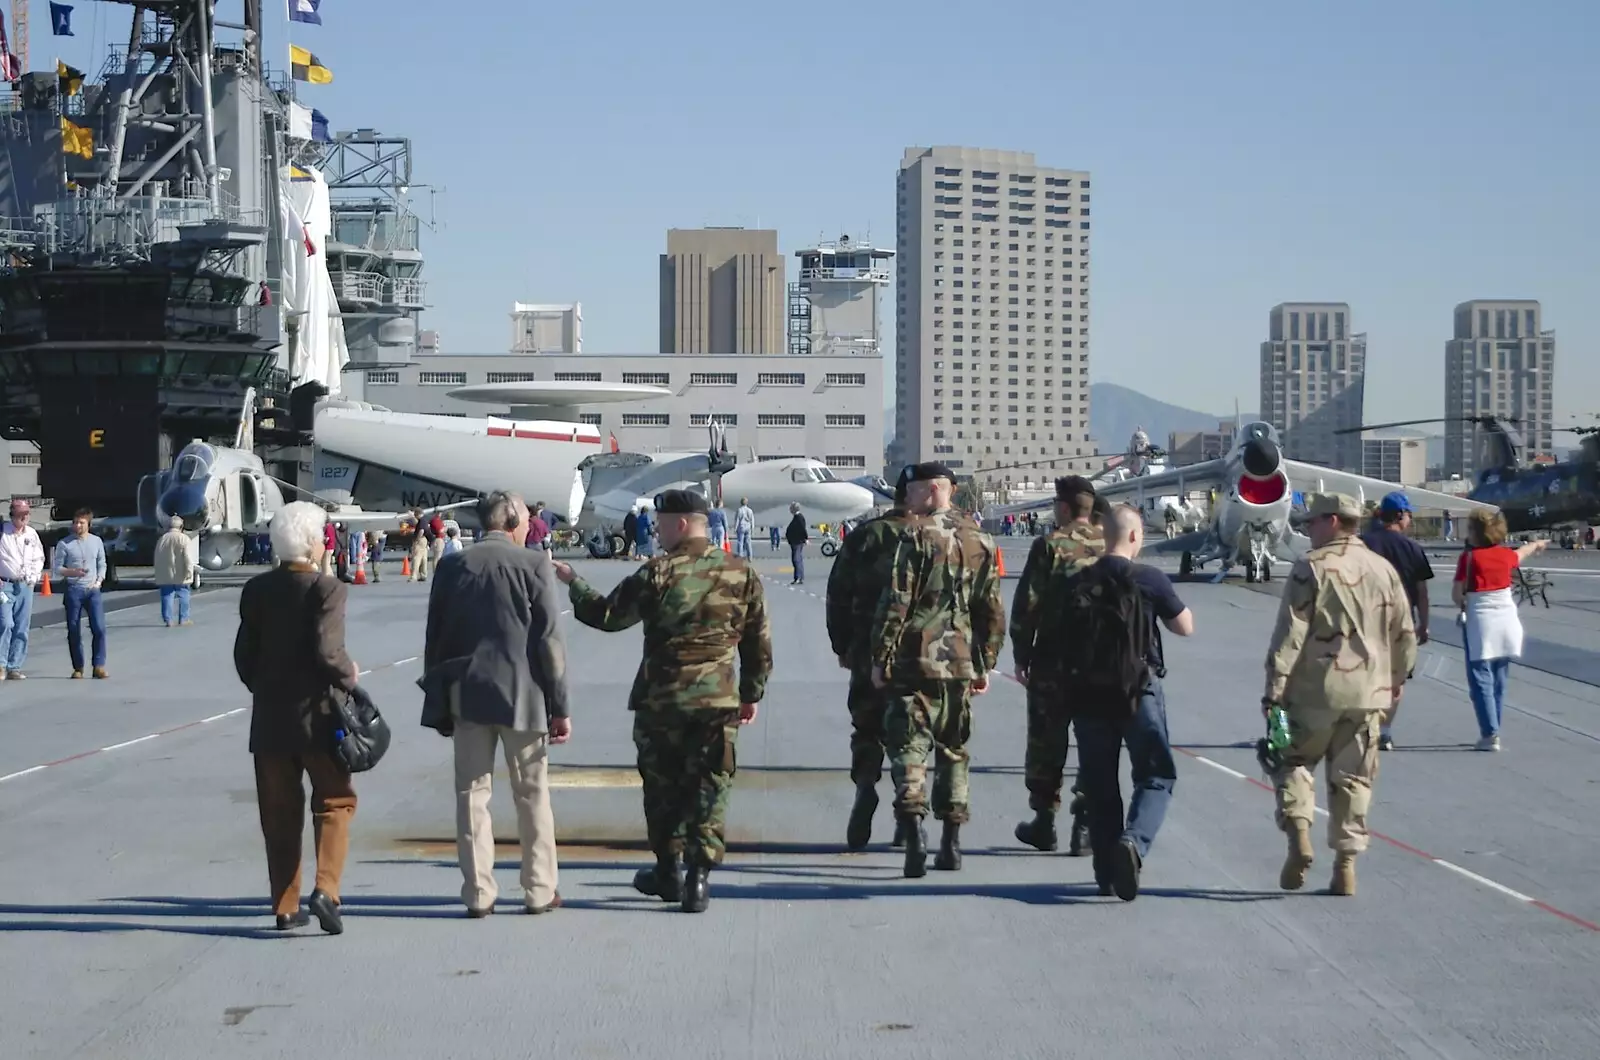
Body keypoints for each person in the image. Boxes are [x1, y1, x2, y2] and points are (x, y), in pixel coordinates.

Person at [553, 489, 771, 913]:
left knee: (662, 788)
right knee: (711, 785)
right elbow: (758, 643)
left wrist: (573, 582)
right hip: (717, 701)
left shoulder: (658, 572)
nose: (657, 530)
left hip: (663, 702)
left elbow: (608, 617)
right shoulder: (741, 572)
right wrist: (751, 693)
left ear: (682, 524)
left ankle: (668, 869)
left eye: (663, 523)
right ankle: (699, 879)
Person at [421, 491, 572, 917]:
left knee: (471, 795)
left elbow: (437, 638)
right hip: (523, 695)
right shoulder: (533, 564)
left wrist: (439, 701)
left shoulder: (451, 565)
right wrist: (560, 705)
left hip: (467, 693)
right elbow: (548, 641)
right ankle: (540, 889)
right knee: (532, 795)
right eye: (524, 519)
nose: (527, 526)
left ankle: (478, 893)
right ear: (510, 523)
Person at [1264, 493, 1416, 897]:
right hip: (1369, 694)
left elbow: (1290, 636)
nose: (1307, 530)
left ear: (1332, 521)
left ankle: (1299, 832)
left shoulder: (1310, 568)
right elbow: (1405, 633)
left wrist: (1273, 691)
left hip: (1313, 691)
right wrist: (1397, 680)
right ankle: (1345, 866)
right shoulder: (1383, 569)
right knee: (1354, 778)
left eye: (1311, 523)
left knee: (1289, 759)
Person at [870, 463, 1005, 878]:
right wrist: (986, 662)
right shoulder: (981, 538)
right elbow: (991, 609)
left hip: (916, 657)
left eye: (911, 491)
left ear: (931, 491)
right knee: (953, 748)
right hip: (960, 658)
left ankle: (913, 831)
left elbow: (897, 601)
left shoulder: (915, 535)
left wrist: (880, 657)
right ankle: (952, 842)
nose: (906, 499)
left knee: (910, 746)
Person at [233, 501, 360, 934]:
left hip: (270, 721)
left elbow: (243, 658)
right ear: (314, 544)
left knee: (279, 813)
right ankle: (326, 891)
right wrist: (349, 673)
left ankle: (285, 906)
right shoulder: (327, 589)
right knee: (336, 800)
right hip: (319, 718)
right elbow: (329, 651)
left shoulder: (256, 590)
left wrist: (268, 689)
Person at [1072, 506, 1192, 900]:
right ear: (1136, 537)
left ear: (1102, 536)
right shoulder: (1150, 578)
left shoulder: (1080, 581)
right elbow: (1184, 626)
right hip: (1139, 688)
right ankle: (1134, 842)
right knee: (1156, 775)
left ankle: (1106, 872)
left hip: (1090, 693)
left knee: (1100, 783)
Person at [1010, 476, 1105, 856]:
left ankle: (1045, 822)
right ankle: (1084, 822)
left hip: (1052, 661)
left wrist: (1021, 654)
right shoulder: (1108, 544)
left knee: (1047, 741)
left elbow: (1027, 605)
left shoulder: (1049, 546)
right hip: (1100, 664)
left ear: (1064, 508)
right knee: (1094, 741)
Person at [825, 468, 913, 851]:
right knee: (910, 733)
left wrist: (842, 645)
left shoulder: (865, 535)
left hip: (866, 649)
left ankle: (864, 786)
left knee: (866, 727)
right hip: (918, 655)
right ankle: (907, 810)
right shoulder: (931, 538)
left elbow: (837, 593)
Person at [1453, 508, 1547, 752]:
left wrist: (1463, 601)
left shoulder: (1469, 558)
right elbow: (1521, 553)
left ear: (1477, 532)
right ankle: (1494, 727)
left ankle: (1490, 732)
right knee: (1499, 678)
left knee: (1480, 677)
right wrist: (1535, 545)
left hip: (1481, 621)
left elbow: (1457, 594)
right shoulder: (1505, 555)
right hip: (1507, 618)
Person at [1360, 493, 1434, 750]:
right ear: (1400, 515)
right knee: (1396, 680)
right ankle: (1385, 732)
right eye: (1409, 514)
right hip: (1402, 623)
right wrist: (1424, 624)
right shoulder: (1412, 548)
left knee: (1367, 676)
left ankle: (1365, 727)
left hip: (1368, 620)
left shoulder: (1363, 544)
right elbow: (1422, 591)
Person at [52, 508, 109, 679]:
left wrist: (98, 581)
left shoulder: (96, 541)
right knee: (74, 629)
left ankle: (99, 665)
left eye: (81, 523)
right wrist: (72, 572)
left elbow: (102, 563)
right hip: (73, 590)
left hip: (92, 590)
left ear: (88, 524)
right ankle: (78, 667)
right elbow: (57, 569)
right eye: (75, 522)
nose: (78, 526)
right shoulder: (64, 544)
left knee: (99, 628)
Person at [0, 498, 46, 680]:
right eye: (21, 515)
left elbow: (39, 557)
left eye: (26, 514)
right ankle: (1, 664)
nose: (24, 518)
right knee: (6, 623)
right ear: (13, 515)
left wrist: (33, 578)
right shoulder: (3, 532)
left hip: (25, 585)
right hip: (5, 585)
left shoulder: (32, 534)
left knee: (21, 627)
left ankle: (14, 666)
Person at [154, 515, 197, 627]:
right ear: (181, 526)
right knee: (184, 594)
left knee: (167, 595)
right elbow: (187, 557)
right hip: (181, 573)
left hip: (165, 573)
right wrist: (189, 570)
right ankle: (184, 618)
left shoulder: (162, 539)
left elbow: (157, 557)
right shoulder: (183, 538)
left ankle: (168, 620)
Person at [785, 503, 810, 585]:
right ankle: (799, 577)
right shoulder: (797, 517)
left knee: (796, 559)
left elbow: (802, 529)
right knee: (797, 559)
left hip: (797, 541)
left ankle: (798, 577)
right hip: (795, 541)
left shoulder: (799, 518)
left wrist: (805, 538)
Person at [407, 510, 430, 582]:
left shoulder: (421, 521)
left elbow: (421, 531)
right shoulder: (424, 520)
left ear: (418, 514)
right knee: (424, 558)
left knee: (416, 558)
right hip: (424, 540)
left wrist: (417, 539)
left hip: (420, 540)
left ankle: (413, 576)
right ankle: (423, 574)